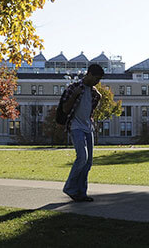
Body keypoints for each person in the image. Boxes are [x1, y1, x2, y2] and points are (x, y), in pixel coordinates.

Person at [58, 63, 104, 202]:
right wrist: (75, 95)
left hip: (88, 127)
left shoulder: (94, 93)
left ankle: (81, 193)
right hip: (75, 127)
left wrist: (98, 97)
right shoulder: (73, 88)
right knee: (82, 157)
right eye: (96, 79)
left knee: (88, 162)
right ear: (89, 74)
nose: (97, 82)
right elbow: (65, 109)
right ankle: (70, 188)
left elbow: (90, 110)